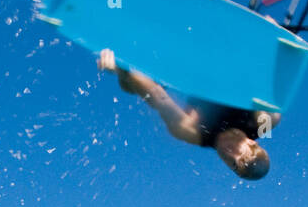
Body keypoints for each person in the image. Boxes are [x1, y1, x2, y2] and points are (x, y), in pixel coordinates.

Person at [96, 48, 280, 181]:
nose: (230, 156)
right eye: (242, 156)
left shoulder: (194, 134)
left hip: (186, 74)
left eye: (233, 165)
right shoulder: (261, 125)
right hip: (227, 66)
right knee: (273, 118)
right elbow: (272, 103)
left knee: (133, 87)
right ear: (251, 142)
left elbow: (157, 96)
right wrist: (268, 43)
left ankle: (123, 71)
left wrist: (123, 70)